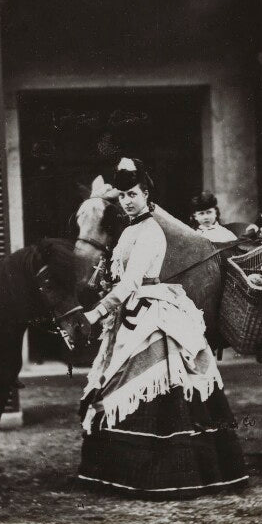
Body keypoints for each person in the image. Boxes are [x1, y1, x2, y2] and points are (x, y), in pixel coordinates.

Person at [78, 159, 247, 498]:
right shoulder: (128, 230)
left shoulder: (152, 231)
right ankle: (119, 472)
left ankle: (166, 473)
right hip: (130, 315)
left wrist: (96, 314)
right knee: (115, 382)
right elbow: (118, 278)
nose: (127, 201)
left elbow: (130, 284)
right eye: (123, 195)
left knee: (161, 387)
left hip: (153, 313)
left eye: (134, 194)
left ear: (147, 196)